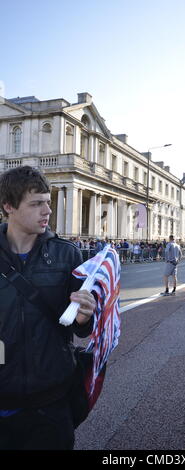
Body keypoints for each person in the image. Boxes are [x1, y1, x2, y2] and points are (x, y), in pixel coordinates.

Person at [0, 166, 96, 450]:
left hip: (52, 400)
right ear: (8, 206)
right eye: (36, 204)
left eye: (48, 202)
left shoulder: (68, 254)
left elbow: (83, 328)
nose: (47, 211)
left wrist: (85, 316)